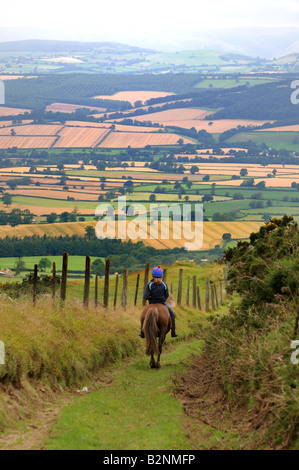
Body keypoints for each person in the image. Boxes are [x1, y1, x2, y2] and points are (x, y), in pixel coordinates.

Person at [140, 266, 178, 338]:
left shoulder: (149, 285)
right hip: (162, 304)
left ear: (153, 276)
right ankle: (173, 332)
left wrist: (151, 299)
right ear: (161, 276)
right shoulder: (164, 284)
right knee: (172, 314)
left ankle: (142, 332)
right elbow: (166, 295)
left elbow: (146, 296)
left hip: (151, 303)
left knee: (143, 315)